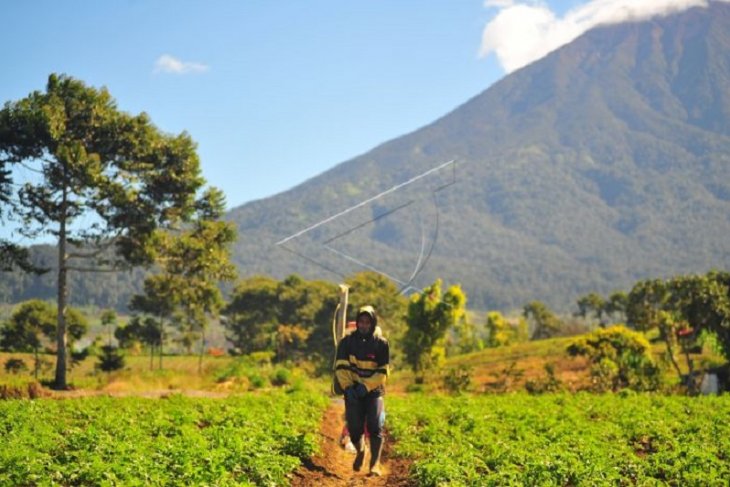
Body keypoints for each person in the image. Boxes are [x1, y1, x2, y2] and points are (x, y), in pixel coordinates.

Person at [334, 305, 389, 476]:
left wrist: (366, 386)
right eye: (361, 322)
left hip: (373, 391)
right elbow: (341, 368)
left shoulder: (381, 344)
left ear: (373, 324)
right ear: (357, 323)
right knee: (355, 429)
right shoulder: (346, 342)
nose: (364, 325)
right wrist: (348, 388)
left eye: (368, 322)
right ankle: (361, 451)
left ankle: (375, 465)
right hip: (353, 390)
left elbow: (383, 372)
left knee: (375, 426)